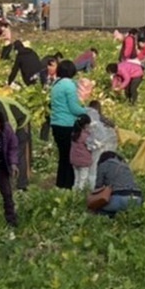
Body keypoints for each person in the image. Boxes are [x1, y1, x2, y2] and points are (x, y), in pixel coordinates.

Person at [49, 60, 89, 190]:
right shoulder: (69, 85)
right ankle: (69, 185)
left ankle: (60, 183)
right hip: (67, 124)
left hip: (56, 123)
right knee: (70, 157)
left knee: (63, 156)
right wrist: (87, 112)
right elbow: (73, 108)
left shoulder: (56, 84)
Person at [70, 114, 95, 191]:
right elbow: (91, 146)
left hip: (74, 160)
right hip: (84, 161)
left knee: (76, 179)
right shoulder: (85, 136)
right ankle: (80, 197)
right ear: (86, 125)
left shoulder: (73, 134)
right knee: (83, 180)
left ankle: (73, 195)